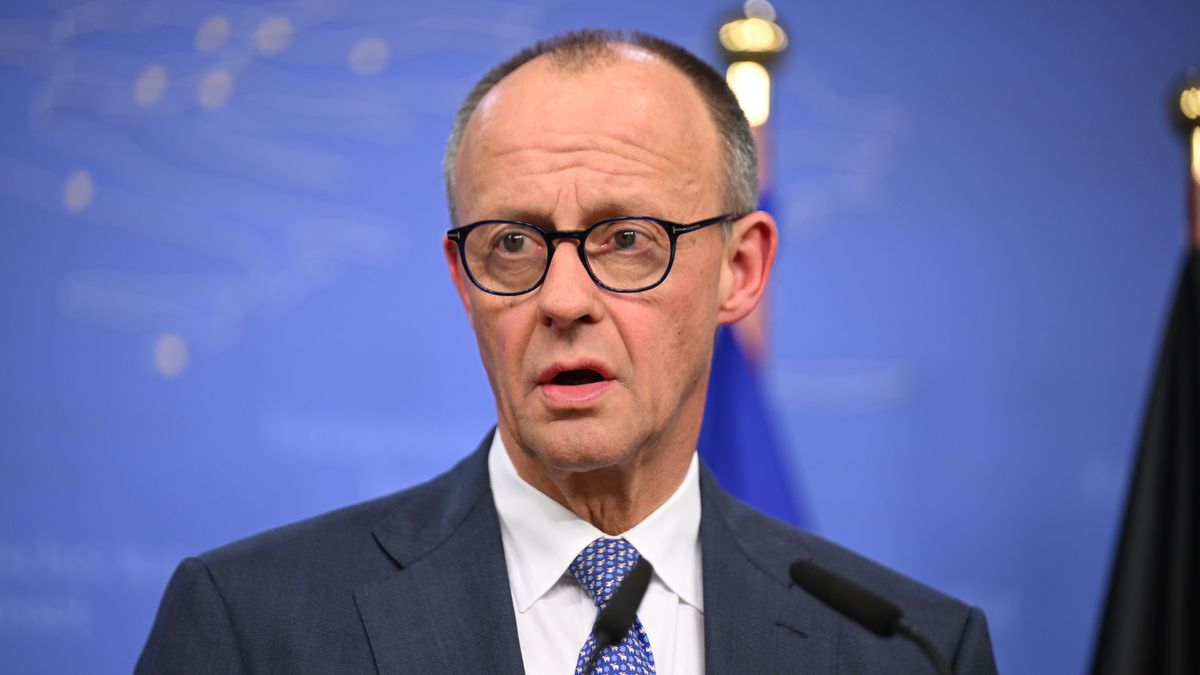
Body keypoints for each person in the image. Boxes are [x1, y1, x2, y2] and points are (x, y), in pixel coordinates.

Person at [137, 30, 999, 674]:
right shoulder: (254, 627)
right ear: (463, 279)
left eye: (627, 238)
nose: (563, 299)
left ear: (740, 270)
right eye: (511, 244)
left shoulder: (909, 649)